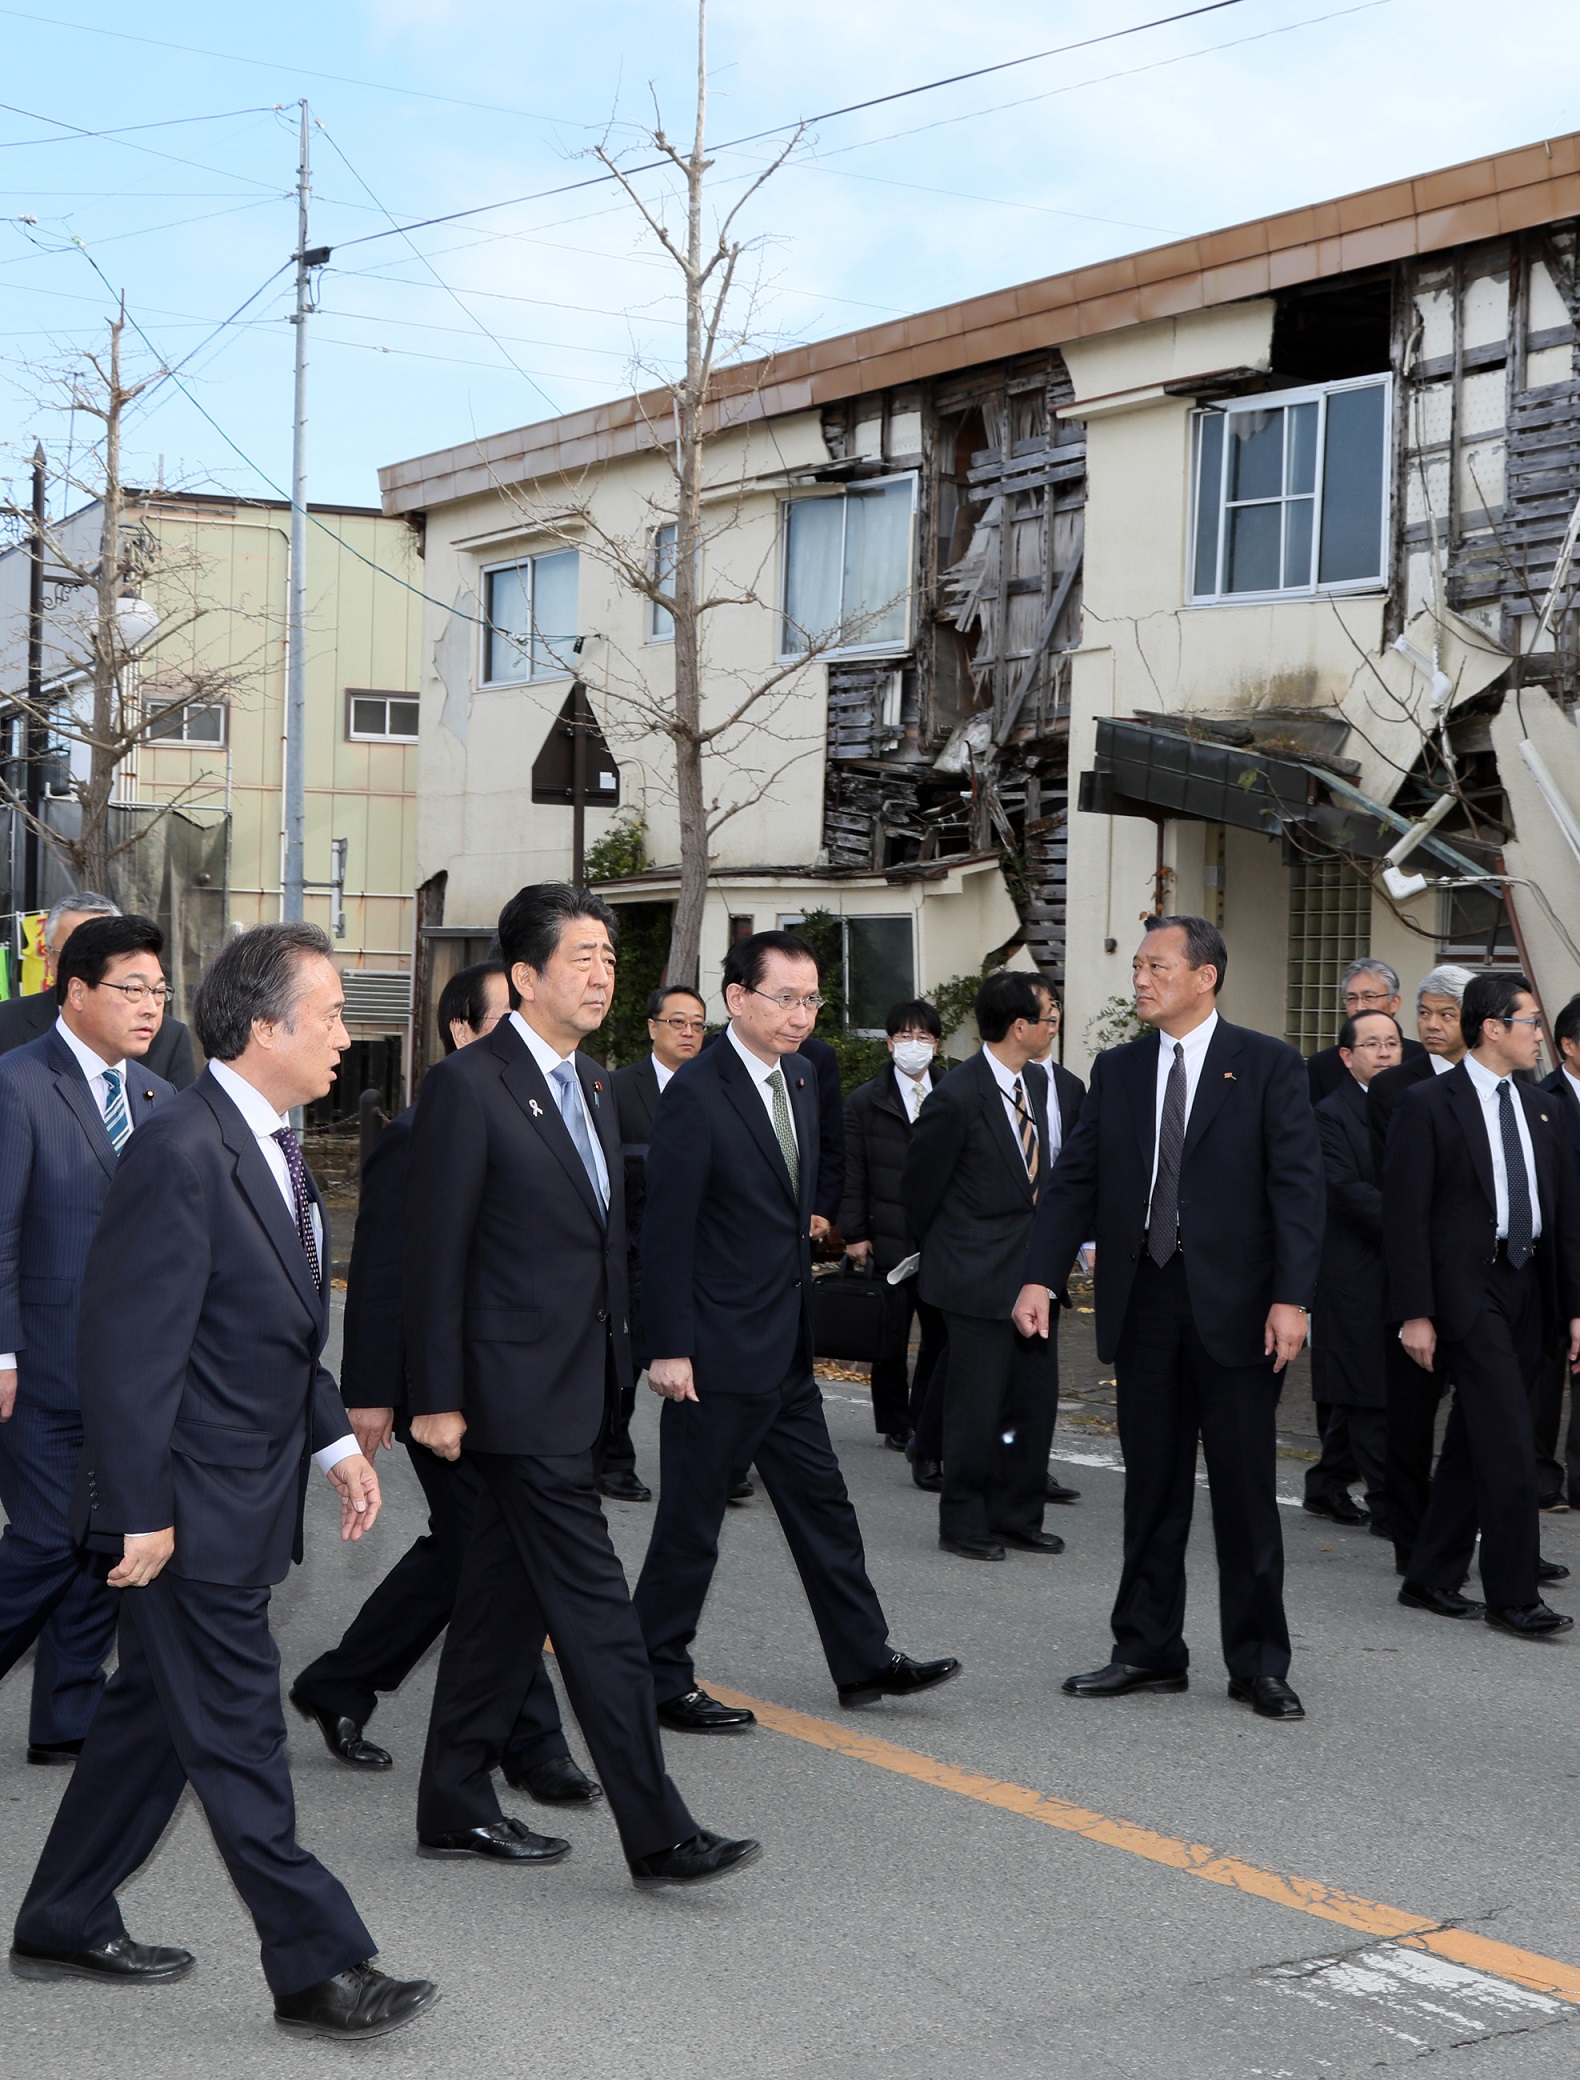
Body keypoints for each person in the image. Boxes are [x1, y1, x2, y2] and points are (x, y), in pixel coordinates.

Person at [11, 922, 437, 2042]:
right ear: (264, 1027)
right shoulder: (183, 1145)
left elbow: (268, 1330)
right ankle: (319, 1963)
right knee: (243, 1735)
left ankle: (61, 1911)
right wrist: (138, 1509)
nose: (349, 1036)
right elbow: (127, 1347)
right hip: (187, 1510)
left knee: (155, 1717)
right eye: (334, 1013)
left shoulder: (268, 1144)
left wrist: (334, 1442)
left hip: (239, 1491)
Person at [405, 884, 757, 1889]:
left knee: (499, 1610)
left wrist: (636, 1351)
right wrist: (435, 1395)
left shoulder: (596, 1085)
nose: (603, 973)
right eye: (583, 957)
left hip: (579, 1388)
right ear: (525, 975)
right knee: (599, 1614)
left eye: (610, 957)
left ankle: (451, 1799)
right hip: (507, 1400)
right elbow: (438, 1254)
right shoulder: (469, 1086)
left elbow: (606, 1247)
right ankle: (659, 1832)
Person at [633, 928, 959, 1734]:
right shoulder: (695, 1094)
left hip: (784, 1342)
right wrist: (668, 1347)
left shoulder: (809, 1078)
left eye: (813, 1000)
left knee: (825, 1509)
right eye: (785, 998)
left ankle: (863, 1659)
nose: (801, 1015)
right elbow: (663, 1231)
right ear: (738, 999)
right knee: (691, 1523)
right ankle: (655, 1677)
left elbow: (810, 1188)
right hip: (712, 1351)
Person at [289, 960, 595, 1806]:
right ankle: (532, 1746)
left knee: (470, 1558)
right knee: (504, 1566)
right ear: (463, 1031)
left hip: (512, 1387)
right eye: (500, 1020)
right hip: (441, 1394)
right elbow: (386, 1272)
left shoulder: (547, 1117)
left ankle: (343, 1681)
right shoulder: (422, 1129)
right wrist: (371, 1393)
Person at [1014, 915, 1323, 1721]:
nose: (1141, 979)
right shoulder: (1118, 1070)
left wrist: (1293, 1297)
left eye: (1157, 965)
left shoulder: (1266, 1065)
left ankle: (1258, 1661)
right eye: (1138, 966)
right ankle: (1147, 1648)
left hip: (1238, 1308)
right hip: (1144, 1298)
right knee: (1151, 1486)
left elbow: (1298, 1189)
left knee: (1246, 1489)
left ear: (1204, 975)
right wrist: (1039, 1278)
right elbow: (1074, 1181)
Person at [0, 916, 177, 1764]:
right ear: (75, 992)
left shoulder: (157, 1098)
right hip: (38, 1366)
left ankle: (65, 1716)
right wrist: (0, 1352)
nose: (151, 1007)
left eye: (159, 991)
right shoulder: (19, 1084)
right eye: (131, 989)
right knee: (41, 1540)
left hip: (127, 1376)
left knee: (103, 1543)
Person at [1385, 970, 1580, 1638]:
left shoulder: (1542, 1107)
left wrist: (1574, 1306)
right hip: (1467, 1289)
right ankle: (1513, 1594)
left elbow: (1564, 1215)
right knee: (1509, 1439)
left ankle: (1430, 1574)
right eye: (1530, 1023)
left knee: (1476, 1438)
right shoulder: (1428, 1104)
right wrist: (1415, 1311)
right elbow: (1405, 1216)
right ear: (1492, 1027)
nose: (1540, 1037)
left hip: (1531, 1286)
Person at [903, 971, 1084, 1562]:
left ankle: (1017, 1515)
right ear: (1018, 1026)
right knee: (975, 1411)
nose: (1053, 1026)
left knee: (1032, 1404)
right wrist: (956, 1254)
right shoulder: (957, 1095)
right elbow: (921, 1190)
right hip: (976, 1279)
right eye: (1047, 1017)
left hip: (1037, 1277)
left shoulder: (1036, 1085)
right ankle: (964, 1522)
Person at [1367, 963, 1475, 1571]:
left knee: (1485, 1419)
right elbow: (1404, 1190)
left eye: (1446, 1015)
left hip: (1485, 1276)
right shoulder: (1396, 1089)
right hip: (1415, 1272)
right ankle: (1412, 1540)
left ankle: (1477, 1534)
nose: (1431, 1026)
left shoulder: (1508, 1082)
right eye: (1425, 1014)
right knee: (1409, 1419)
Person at [607, 983, 709, 1502]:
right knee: (623, 1363)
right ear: (652, 1027)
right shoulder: (617, 1089)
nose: (689, 1032)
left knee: (700, 1361)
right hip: (628, 1247)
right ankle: (613, 1459)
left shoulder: (719, 1087)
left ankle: (714, 1466)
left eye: (697, 1024)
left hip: (699, 1253)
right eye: (677, 1022)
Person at [1302, 1010, 1403, 1528]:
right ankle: (1393, 1506)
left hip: (1403, 1267)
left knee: (1361, 1382)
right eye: (1372, 1045)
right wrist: (1415, 1225)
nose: (1385, 1053)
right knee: (1367, 1387)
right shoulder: (1328, 1114)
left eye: (1392, 1043)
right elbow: (1345, 1191)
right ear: (1347, 1057)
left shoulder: (1412, 1105)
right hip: (1354, 1267)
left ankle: (1326, 1482)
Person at [838, 998, 948, 1454]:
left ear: (937, 1044)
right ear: (888, 1043)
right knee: (890, 1335)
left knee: (940, 1336)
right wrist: (855, 1233)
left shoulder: (956, 1092)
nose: (914, 1045)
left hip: (943, 1238)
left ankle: (926, 1415)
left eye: (923, 1036)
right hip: (889, 1236)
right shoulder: (865, 1101)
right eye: (904, 1036)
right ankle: (894, 1420)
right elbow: (853, 1171)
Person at [0, 893, 196, 1089]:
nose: (150, 1008)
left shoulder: (169, 1038)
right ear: (49, 957)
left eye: (158, 991)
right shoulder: (7, 1027)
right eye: (75, 952)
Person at [1534, 992, 1580, 1510]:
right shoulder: (1543, 1101)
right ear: (1568, 1044)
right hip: (1550, 1254)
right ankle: (1540, 1478)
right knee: (1545, 1376)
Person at [1306, 959, 1424, 1103]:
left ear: (1394, 1003)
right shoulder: (1322, 1066)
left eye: (1369, 997)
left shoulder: (1422, 1059)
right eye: (1352, 998)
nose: (1359, 1007)